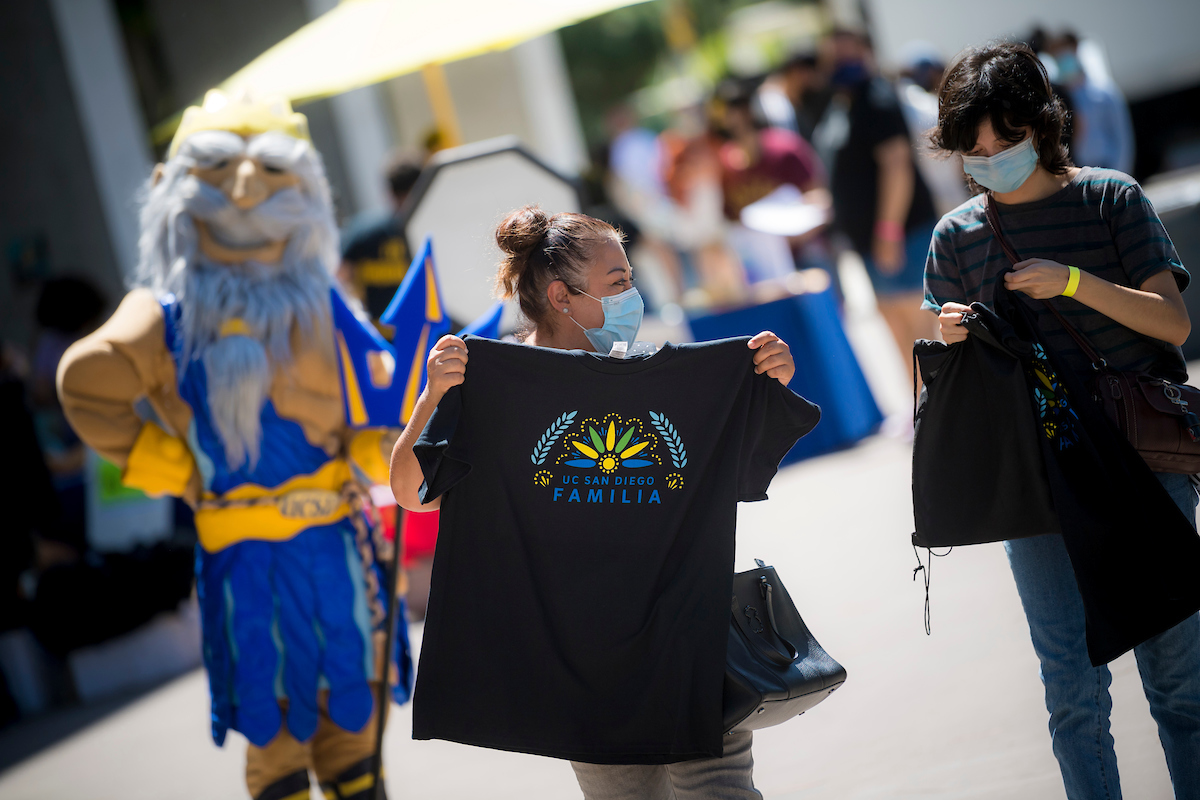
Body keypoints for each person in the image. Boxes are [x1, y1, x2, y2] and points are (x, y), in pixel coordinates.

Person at [56, 90, 412, 800]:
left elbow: (379, 417)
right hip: (244, 564)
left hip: (336, 556)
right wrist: (176, 467)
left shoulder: (325, 307)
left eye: (269, 171)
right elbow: (85, 384)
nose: (246, 191)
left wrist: (404, 453)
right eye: (218, 167)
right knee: (274, 746)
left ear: (305, 192)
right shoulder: (161, 315)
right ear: (173, 189)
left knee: (353, 743)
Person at [390, 205, 798, 799]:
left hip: (686, 633)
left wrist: (765, 384)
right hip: (581, 662)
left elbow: (733, 471)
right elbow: (410, 492)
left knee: (721, 790)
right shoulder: (494, 385)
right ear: (562, 297)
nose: (633, 294)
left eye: (631, 279)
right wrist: (433, 396)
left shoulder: (652, 371)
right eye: (619, 283)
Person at [924, 42, 1200, 799]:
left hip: (1145, 460)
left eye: (1005, 142)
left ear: (1041, 127)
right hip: (1032, 480)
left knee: (1181, 687)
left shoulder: (1111, 198)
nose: (990, 159)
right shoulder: (955, 237)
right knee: (1071, 693)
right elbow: (946, 381)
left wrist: (1074, 283)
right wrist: (945, 338)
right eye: (973, 150)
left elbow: (1172, 324)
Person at [812, 28, 939, 402]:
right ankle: (920, 406)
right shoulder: (841, 104)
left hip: (899, 235)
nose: (840, 63)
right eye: (833, 56)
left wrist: (888, 231)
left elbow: (897, 166)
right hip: (868, 242)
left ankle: (941, 406)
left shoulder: (878, 98)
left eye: (847, 54)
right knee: (894, 326)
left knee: (918, 329)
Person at [339, 151, 423, 318]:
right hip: (381, 337)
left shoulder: (361, 233)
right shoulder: (363, 235)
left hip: (426, 335)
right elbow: (339, 280)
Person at [1048, 31, 1135, 174]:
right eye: (1057, 55)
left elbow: (1123, 137)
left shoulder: (1104, 91)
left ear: (1075, 50)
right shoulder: (1059, 98)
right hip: (1080, 172)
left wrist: (1120, 174)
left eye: (1065, 52)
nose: (1061, 58)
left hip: (1108, 168)